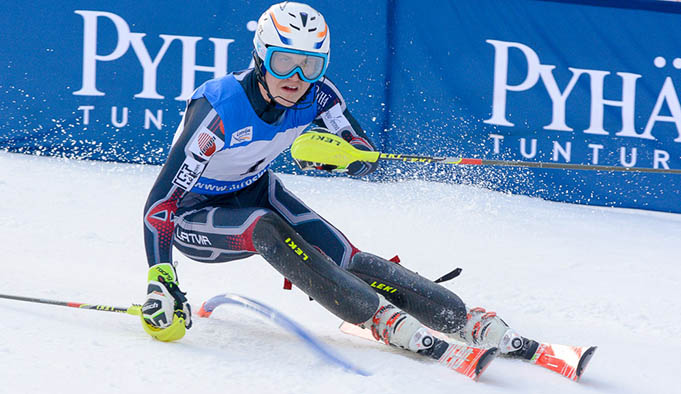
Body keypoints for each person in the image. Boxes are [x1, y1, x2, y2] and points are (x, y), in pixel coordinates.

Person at [141, 2, 531, 360]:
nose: (296, 78)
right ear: (260, 58)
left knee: (348, 257)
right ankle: (376, 315)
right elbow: (161, 205)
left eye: (310, 66)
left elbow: (359, 148)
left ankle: (463, 319)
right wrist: (161, 279)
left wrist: (351, 160)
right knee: (265, 226)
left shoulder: (319, 96)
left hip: (255, 188)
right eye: (283, 63)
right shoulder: (219, 109)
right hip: (193, 215)